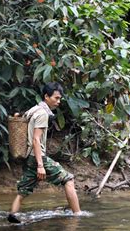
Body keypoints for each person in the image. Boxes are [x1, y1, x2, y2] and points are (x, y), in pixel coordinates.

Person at [8, 82, 81, 223]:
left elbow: (20, 118)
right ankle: (78, 216)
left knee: (23, 191)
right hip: (37, 157)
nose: (58, 101)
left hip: (28, 157)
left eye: (60, 98)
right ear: (46, 97)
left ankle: (12, 214)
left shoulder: (34, 109)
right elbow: (36, 139)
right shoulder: (42, 114)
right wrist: (40, 165)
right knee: (68, 180)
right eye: (56, 98)